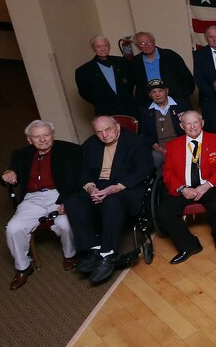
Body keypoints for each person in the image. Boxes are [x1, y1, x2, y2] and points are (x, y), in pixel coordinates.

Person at [64, 116, 154, 284]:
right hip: (98, 185)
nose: (104, 135)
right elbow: (82, 171)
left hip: (125, 187)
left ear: (117, 128)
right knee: (73, 202)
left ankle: (108, 253)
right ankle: (93, 248)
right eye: (99, 132)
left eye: (108, 130)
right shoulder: (91, 144)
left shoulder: (136, 142)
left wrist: (116, 188)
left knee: (111, 202)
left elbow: (144, 170)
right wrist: (91, 188)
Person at [2, 120, 81, 290]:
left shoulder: (69, 150)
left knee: (65, 223)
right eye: (37, 137)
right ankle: (23, 267)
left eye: (46, 135)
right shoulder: (20, 154)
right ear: (29, 140)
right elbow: (10, 175)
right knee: (13, 228)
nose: (43, 139)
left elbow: (75, 180)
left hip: (59, 194)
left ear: (53, 135)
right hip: (32, 198)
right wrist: (8, 174)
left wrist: (66, 200)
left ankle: (70, 255)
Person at [158, 110, 216, 265]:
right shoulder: (172, 146)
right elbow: (168, 173)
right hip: (185, 188)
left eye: (195, 122)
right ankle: (188, 245)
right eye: (188, 123)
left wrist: (207, 185)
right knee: (164, 211)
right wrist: (182, 189)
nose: (192, 126)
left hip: (209, 186)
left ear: (202, 123)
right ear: (182, 126)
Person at [128, 31, 194, 108]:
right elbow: (135, 86)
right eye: (142, 43)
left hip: (176, 101)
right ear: (137, 46)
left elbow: (187, 79)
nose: (146, 45)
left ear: (154, 42)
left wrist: (183, 97)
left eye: (149, 41)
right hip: (150, 105)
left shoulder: (170, 56)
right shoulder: (135, 62)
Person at [75, 35, 136, 117]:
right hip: (106, 113)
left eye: (105, 46)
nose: (102, 49)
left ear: (109, 46)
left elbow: (131, 83)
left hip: (130, 110)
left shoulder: (123, 62)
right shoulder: (84, 71)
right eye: (98, 47)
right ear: (93, 48)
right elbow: (85, 93)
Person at [138, 79, 185, 168]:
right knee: (153, 159)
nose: (158, 95)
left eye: (160, 91)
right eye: (153, 92)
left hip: (180, 145)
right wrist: (158, 148)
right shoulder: (145, 111)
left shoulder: (181, 105)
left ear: (166, 91)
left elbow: (190, 128)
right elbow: (144, 135)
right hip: (158, 148)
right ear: (149, 95)